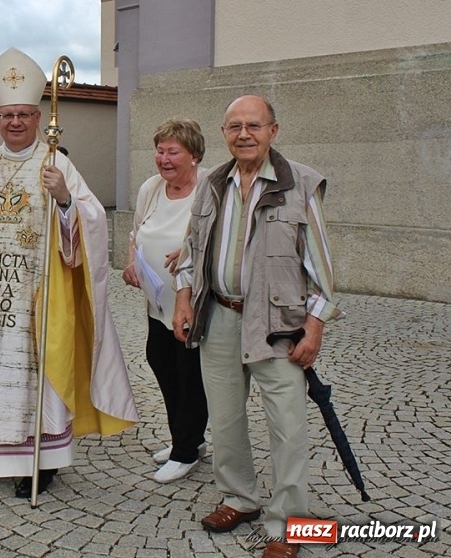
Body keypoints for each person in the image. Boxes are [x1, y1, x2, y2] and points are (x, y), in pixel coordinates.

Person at [172, 95, 343, 558]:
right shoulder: (212, 184)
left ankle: (288, 525)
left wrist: (315, 326)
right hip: (219, 317)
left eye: (253, 125)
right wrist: (184, 300)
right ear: (224, 133)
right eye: (234, 126)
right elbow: (191, 250)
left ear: (273, 130)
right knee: (225, 419)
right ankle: (239, 498)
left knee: (287, 426)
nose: (243, 134)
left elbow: (321, 266)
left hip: (277, 325)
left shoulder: (300, 184)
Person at [0, 47, 139, 498]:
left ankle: (43, 462)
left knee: (37, 380)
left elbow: (94, 221)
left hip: (41, 296)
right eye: (8, 115)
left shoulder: (57, 162)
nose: (16, 122)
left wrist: (65, 200)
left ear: (39, 117)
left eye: (25, 114)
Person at [122, 118, 209, 483]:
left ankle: (186, 451)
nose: (164, 159)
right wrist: (131, 261)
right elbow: (135, 230)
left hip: (192, 303)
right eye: (160, 151)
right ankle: (184, 440)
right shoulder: (151, 188)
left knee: (190, 375)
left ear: (193, 156)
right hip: (157, 301)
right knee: (161, 361)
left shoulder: (207, 189)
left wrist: (188, 250)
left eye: (173, 151)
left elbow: (212, 240)